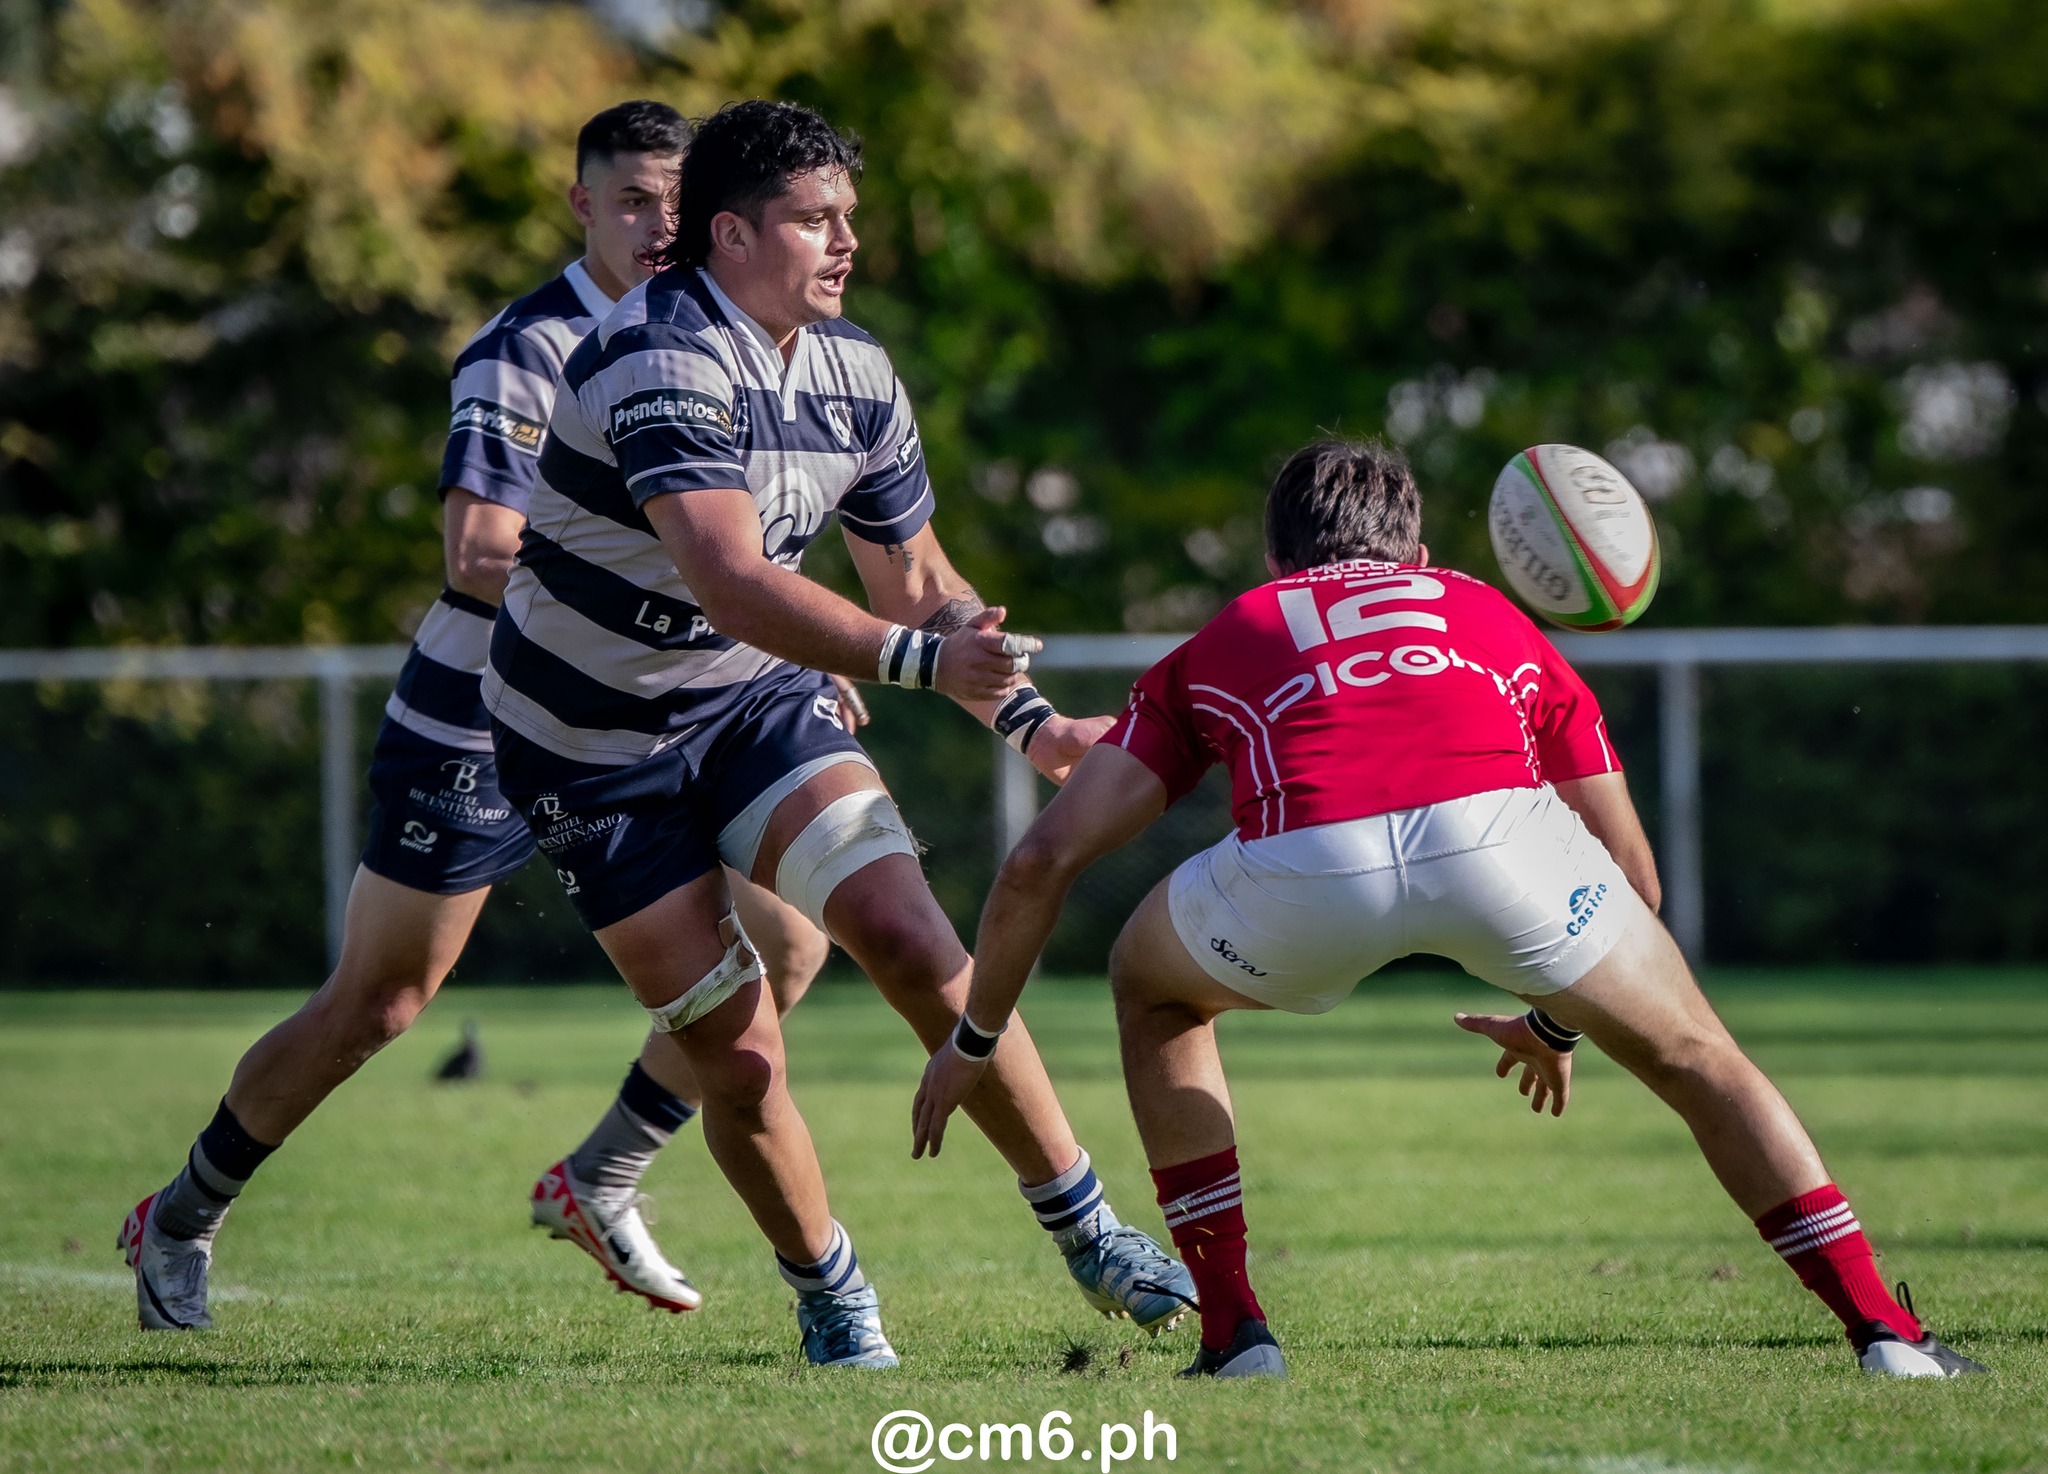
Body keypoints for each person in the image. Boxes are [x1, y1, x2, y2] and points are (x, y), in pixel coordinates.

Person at [912, 439, 1988, 1382]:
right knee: (1698, 1054)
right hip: (1501, 849)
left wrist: (975, 1038)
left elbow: (1043, 858)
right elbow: (1633, 877)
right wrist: (1557, 1014)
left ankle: (1237, 1336)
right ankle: (1882, 1330)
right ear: (1417, 558)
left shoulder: (1234, 630)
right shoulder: (1492, 614)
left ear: (1276, 564)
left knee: (1153, 992)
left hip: (1307, 865)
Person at [479, 98, 1195, 1369]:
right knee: (737, 1058)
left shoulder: (855, 370)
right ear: (731, 231)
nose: (844, 241)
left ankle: (1086, 1227)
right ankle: (830, 1295)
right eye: (817, 220)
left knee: (912, 935)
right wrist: (922, 663)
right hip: (588, 748)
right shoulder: (653, 353)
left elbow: (914, 577)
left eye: (848, 217)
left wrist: (1027, 723)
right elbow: (731, 576)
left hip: (749, 703)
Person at [119, 101, 843, 1331]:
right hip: (486, 716)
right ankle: (183, 1209)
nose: (653, 224)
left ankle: (600, 1174)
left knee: (786, 945)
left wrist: (758, 638)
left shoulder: (729, 343)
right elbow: (475, 551)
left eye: (672, 201)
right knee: (383, 1000)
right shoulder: (531, 342)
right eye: (628, 201)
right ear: (582, 207)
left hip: (663, 717)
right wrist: (715, 614)